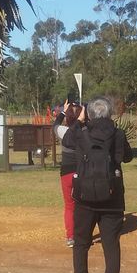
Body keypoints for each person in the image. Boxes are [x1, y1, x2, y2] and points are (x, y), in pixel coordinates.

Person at [62, 96, 133, 273]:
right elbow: (128, 157)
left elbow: (66, 142)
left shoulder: (82, 133)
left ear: (89, 113)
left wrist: (79, 121)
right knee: (111, 246)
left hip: (84, 198)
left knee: (82, 243)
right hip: (112, 198)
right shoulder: (118, 134)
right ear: (109, 114)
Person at [53, 99, 84, 248]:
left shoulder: (62, 132)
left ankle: (71, 237)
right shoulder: (86, 132)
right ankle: (83, 234)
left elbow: (55, 124)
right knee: (83, 204)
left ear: (67, 117)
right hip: (82, 172)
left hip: (66, 172)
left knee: (69, 206)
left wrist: (63, 112)